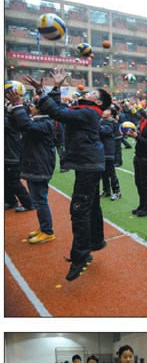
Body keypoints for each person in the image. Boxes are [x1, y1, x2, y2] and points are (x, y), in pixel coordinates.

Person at [23, 68, 111, 281]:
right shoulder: (84, 111)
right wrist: (56, 87)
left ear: (98, 103)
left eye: (92, 93)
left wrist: (41, 91)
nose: (87, 93)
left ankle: (80, 258)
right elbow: (61, 110)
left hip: (89, 165)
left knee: (79, 209)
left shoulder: (89, 113)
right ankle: (95, 242)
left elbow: (58, 113)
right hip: (90, 164)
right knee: (91, 206)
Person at [7, 93, 56, 243]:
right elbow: (16, 124)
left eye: (33, 106)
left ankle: (48, 231)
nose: (31, 108)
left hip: (39, 166)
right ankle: (43, 227)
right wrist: (11, 110)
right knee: (38, 199)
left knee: (40, 200)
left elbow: (25, 125)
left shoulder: (45, 123)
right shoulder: (37, 121)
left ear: (40, 110)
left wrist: (18, 106)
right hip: (34, 165)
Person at [4, 102, 34, 211]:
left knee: (14, 182)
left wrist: (5, 109)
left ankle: (28, 203)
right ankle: (11, 201)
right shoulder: (16, 122)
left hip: (12, 157)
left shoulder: (12, 124)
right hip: (9, 156)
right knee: (5, 181)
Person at [99, 106, 121, 201]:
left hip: (108, 150)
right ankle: (106, 190)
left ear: (111, 114)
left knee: (111, 172)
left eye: (107, 110)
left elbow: (105, 131)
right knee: (103, 172)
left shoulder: (111, 122)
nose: (103, 111)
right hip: (101, 150)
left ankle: (117, 191)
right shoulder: (101, 121)